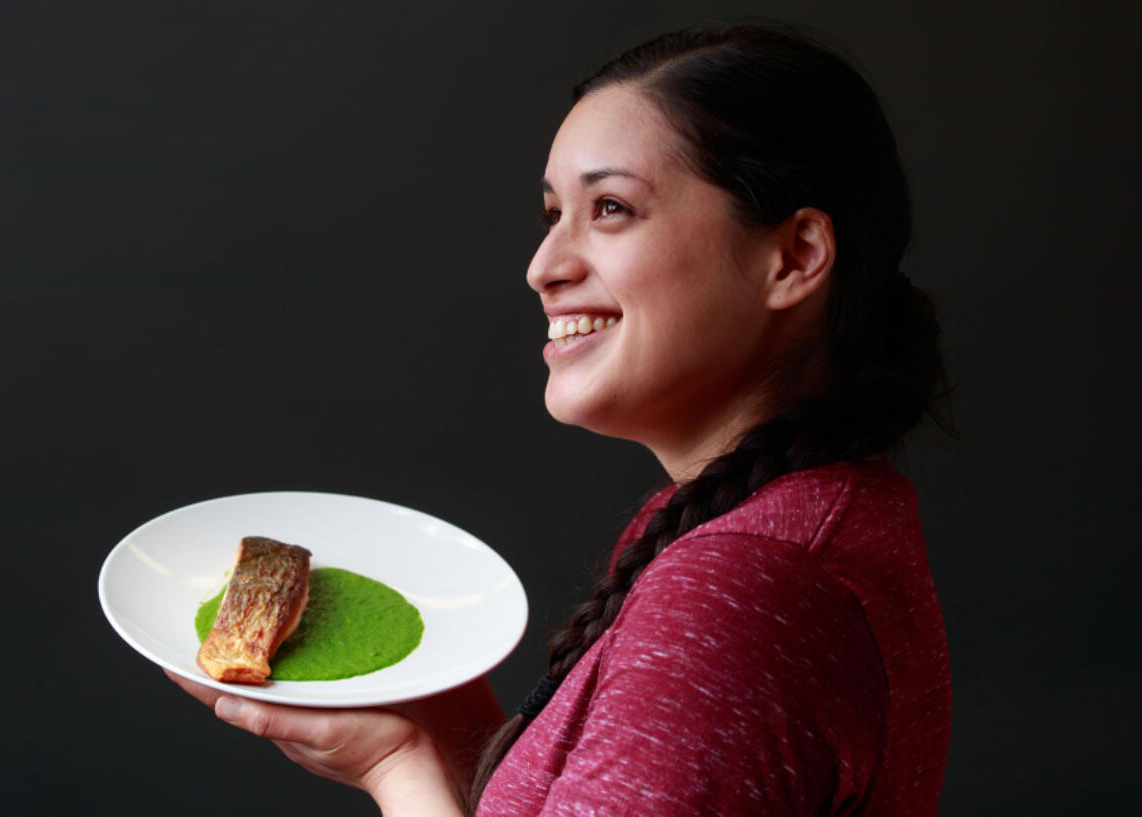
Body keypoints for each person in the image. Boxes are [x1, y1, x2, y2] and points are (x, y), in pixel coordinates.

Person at [169, 21, 953, 816]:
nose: (544, 267)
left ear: (794, 257)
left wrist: (400, 769)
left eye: (610, 208)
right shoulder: (771, 522)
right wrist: (457, 743)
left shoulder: (745, 587)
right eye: (553, 214)